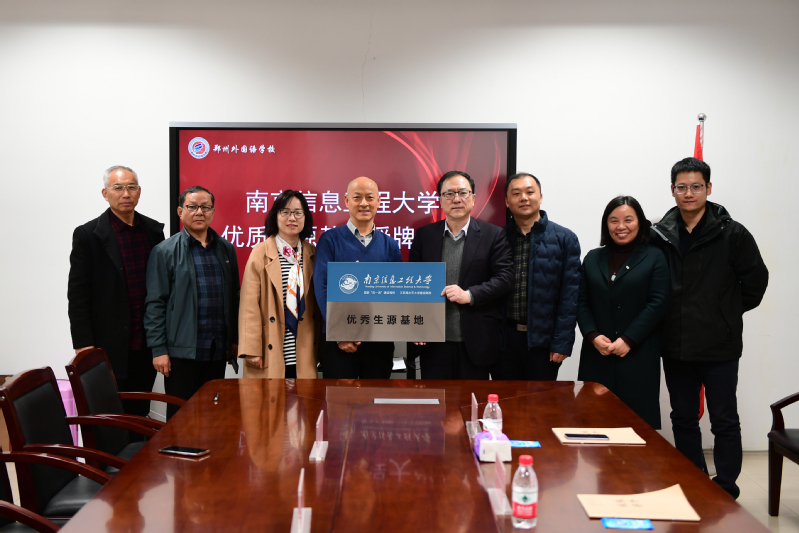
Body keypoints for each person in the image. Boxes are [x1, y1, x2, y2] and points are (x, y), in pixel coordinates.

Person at [651, 157, 768, 499]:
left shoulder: (733, 233)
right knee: (683, 417)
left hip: (720, 345)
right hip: (675, 343)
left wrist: (724, 312)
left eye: (696, 186)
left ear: (709, 188)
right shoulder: (659, 234)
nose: (689, 193)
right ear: (672, 190)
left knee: (724, 420)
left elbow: (756, 282)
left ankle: (726, 487)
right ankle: (694, 479)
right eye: (682, 187)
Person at [68, 165, 165, 421]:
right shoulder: (88, 235)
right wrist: (84, 345)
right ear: (105, 193)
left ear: (139, 192)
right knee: (108, 416)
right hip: (107, 343)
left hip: (145, 342)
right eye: (118, 188)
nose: (126, 194)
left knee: (139, 412)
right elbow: (78, 295)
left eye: (131, 187)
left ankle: (137, 449)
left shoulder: (153, 232)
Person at [144, 186, 239, 419]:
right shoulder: (164, 251)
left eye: (205, 207)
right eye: (192, 207)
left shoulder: (226, 249)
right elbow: (155, 304)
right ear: (180, 211)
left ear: (213, 212)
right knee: (181, 419)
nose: (199, 212)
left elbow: (234, 297)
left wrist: (234, 341)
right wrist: (159, 349)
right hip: (181, 353)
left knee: (213, 416)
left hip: (216, 350)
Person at [576, 196, 670, 428]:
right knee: (594, 423)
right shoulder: (592, 257)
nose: (621, 226)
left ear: (640, 222)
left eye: (628, 219)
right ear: (606, 224)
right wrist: (592, 335)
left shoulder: (655, 256)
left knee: (636, 426)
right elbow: (581, 301)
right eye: (614, 220)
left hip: (638, 353)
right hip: (598, 352)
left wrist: (629, 339)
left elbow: (658, 302)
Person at [409, 170, 513, 379]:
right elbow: (412, 282)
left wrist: (470, 295)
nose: (456, 199)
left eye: (463, 193)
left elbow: (505, 278)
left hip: (476, 340)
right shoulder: (424, 235)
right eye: (449, 194)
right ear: (440, 200)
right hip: (433, 340)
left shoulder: (493, 235)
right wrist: (416, 325)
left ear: (473, 198)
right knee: (436, 398)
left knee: (472, 398)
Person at [492, 173, 581, 381]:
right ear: (507, 202)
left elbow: (570, 295)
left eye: (529, 192)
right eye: (516, 193)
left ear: (540, 197)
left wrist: (562, 342)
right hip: (503, 341)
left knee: (541, 399)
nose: (524, 198)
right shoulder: (497, 238)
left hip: (544, 343)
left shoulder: (564, 238)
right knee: (505, 398)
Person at [313, 177, 402, 379]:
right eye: (357, 197)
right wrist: (340, 332)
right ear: (346, 201)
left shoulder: (390, 245)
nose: (364, 203)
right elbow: (322, 287)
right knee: (339, 398)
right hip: (339, 342)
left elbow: (397, 294)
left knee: (376, 397)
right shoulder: (329, 240)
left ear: (378, 201)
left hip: (379, 341)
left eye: (370, 197)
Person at [238, 190, 320, 378]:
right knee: (271, 397)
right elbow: (249, 305)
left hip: (304, 351)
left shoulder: (312, 253)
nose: (292, 218)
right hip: (271, 348)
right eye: (285, 212)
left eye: (298, 213)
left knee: (304, 396)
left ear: (305, 218)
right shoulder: (260, 253)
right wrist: (251, 348)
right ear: (275, 216)